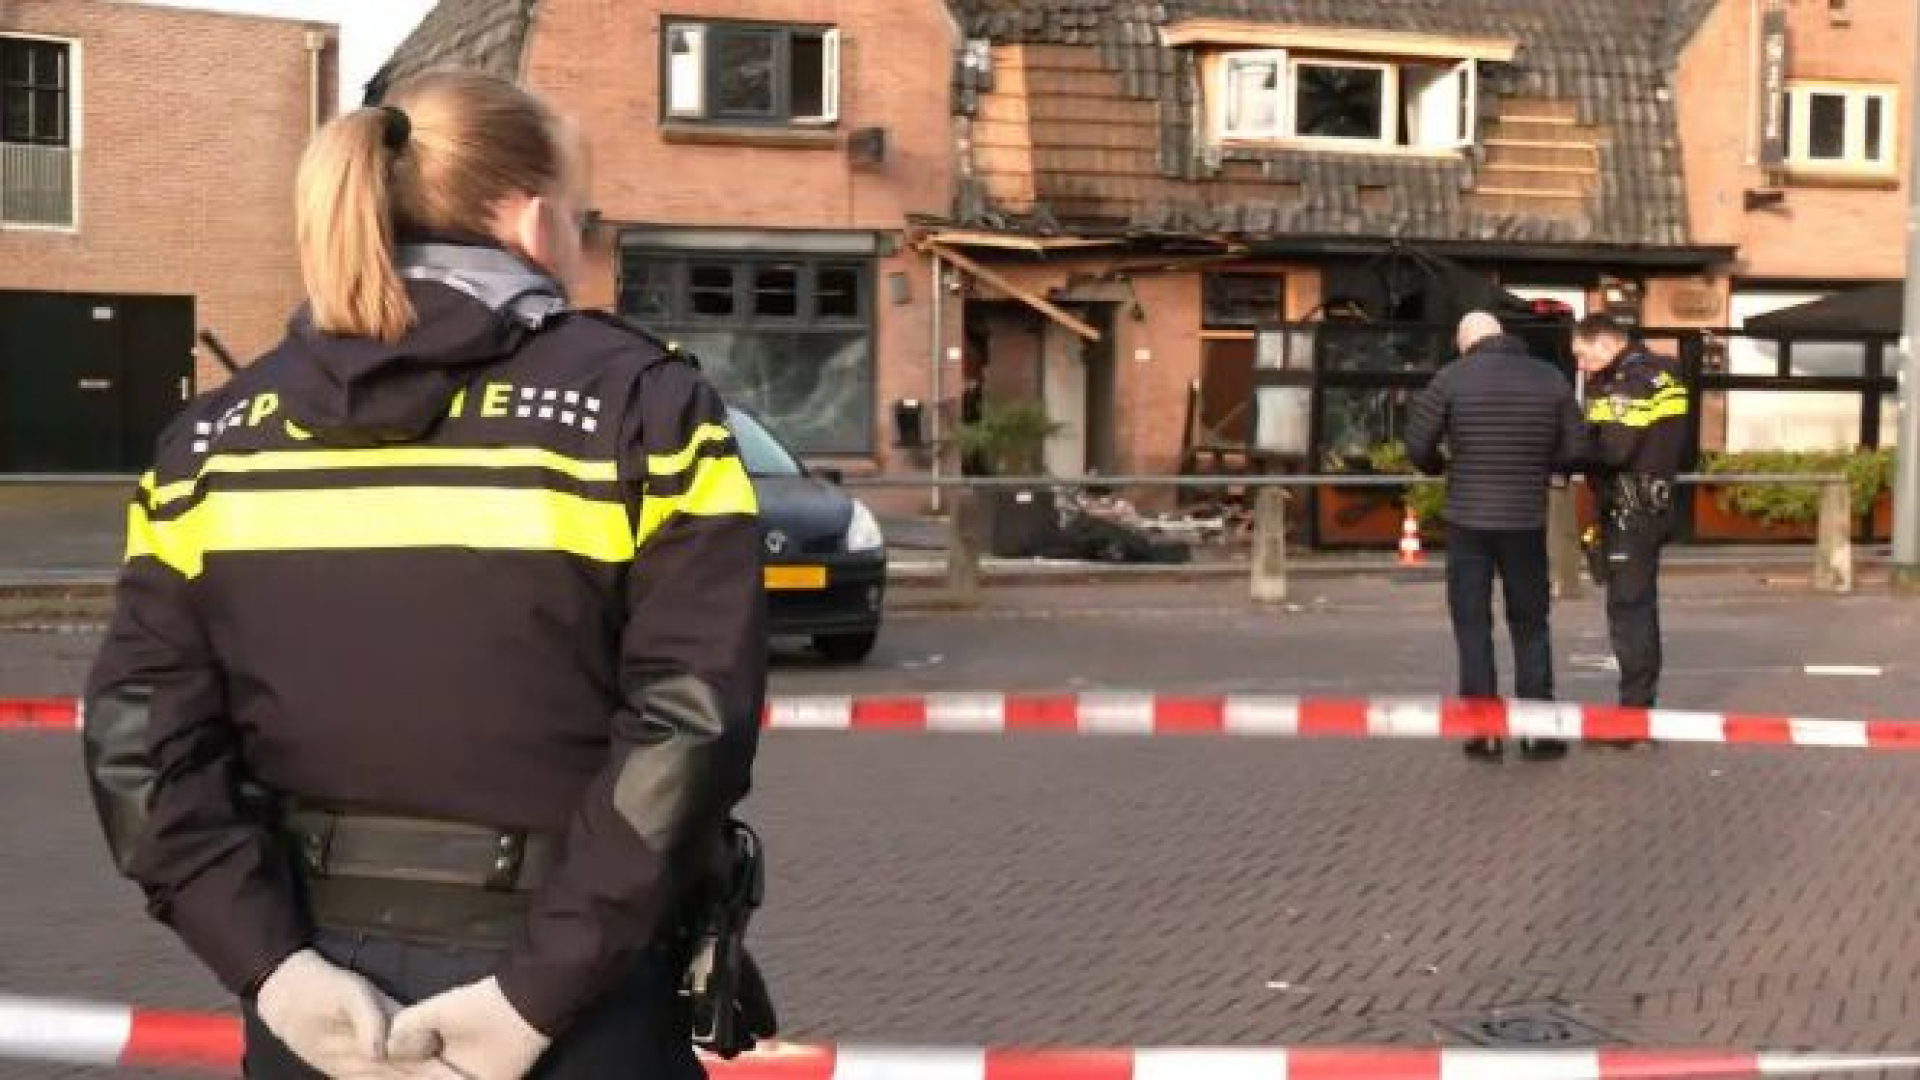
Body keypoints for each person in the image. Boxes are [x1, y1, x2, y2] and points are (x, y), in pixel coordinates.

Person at [82, 71, 766, 1080]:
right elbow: (692, 722)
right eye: (582, 218)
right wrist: (535, 997)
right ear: (533, 220)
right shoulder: (646, 410)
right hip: (579, 1006)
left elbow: (139, 738)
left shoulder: (210, 442)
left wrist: (273, 971)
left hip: (320, 1001)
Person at [1404, 312, 1587, 763]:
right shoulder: (1549, 378)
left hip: (1467, 518)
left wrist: (1441, 466)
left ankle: (1483, 731)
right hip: (1525, 518)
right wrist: (1545, 466)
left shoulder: (1451, 378)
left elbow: (1418, 445)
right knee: (1530, 623)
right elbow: (1576, 447)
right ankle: (1537, 731)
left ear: (1465, 341)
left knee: (1472, 623)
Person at [1573, 313, 1689, 714]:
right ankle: (1639, 704)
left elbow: (1613, 450)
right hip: (1652, 505)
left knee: (1629, 610)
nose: (1581, 366)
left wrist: (1568, 452)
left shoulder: (1626, 383)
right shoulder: (1665, 375)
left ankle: (1635, 713)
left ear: (1607, 344)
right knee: (1638, 605)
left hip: (1628, 508)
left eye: (1583, 355)